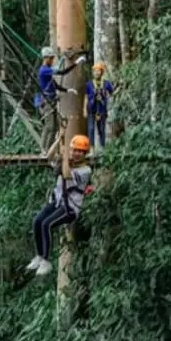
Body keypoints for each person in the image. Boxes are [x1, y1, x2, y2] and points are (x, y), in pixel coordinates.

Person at [27, 134, 94, 276]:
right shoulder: (66, 162)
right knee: (37, 221)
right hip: (57, 202)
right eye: (74, 150)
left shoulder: (85, 170)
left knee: (47, 224)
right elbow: (49, 157)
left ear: (85, 154)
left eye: (80, 151)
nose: (76, 154)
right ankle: (39, 256)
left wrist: (64, 157)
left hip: (70, 208)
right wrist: (58, 140)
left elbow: (67, 174)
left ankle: (46, 261)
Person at [36, 47, 88, 149]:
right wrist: (77, 62)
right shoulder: (44, 70)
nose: (52, 60)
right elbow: (63, 72)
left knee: (54, 126)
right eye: (51, 58)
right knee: (49, 126)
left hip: (51, 100)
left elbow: (54, 85)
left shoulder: (47, 71)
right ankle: (43, 149)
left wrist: (68, 90)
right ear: (45, 58)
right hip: (46, 101)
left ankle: (47, 149)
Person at [85, 61, 116, 150]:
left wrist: (107, 95)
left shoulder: (106, 83)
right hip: (91, 109)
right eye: (95, 71)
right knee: (91, 129)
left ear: (101, 72)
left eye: (98, 71)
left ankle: (102, 148)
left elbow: (112, 93)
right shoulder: (89, 84)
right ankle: (91, 148)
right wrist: (84, 109)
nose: (96, 73)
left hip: (102, 109)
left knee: (101, 129)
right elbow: (86, 97)